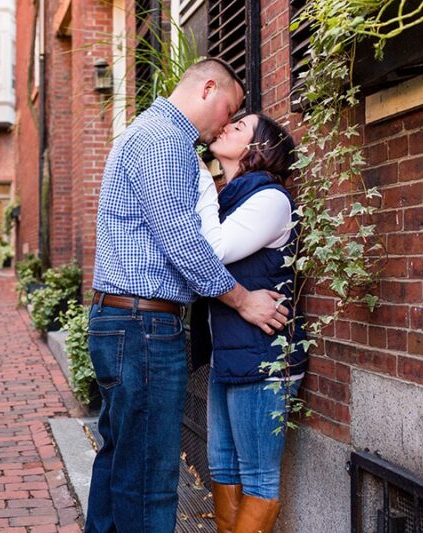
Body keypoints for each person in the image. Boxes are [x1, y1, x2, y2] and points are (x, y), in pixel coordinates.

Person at [87, 58, 290, 533]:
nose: (226, 121)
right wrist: (243, 299)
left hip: (124, 321)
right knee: (151, 476)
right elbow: (183, 242)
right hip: (143, 326)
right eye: (230, 109)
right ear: (208, 88)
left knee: (121, 461)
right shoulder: (164, 142)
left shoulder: (152, 134)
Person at [192, 113, 308, 533]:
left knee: (258, 475)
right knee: (222, 468)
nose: (225, 127)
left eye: (239, 127)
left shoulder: (269, 199)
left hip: (263, 358)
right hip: (231, 353)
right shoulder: (234, 198)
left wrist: (204, 182)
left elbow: (213, 251)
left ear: (259, 148)